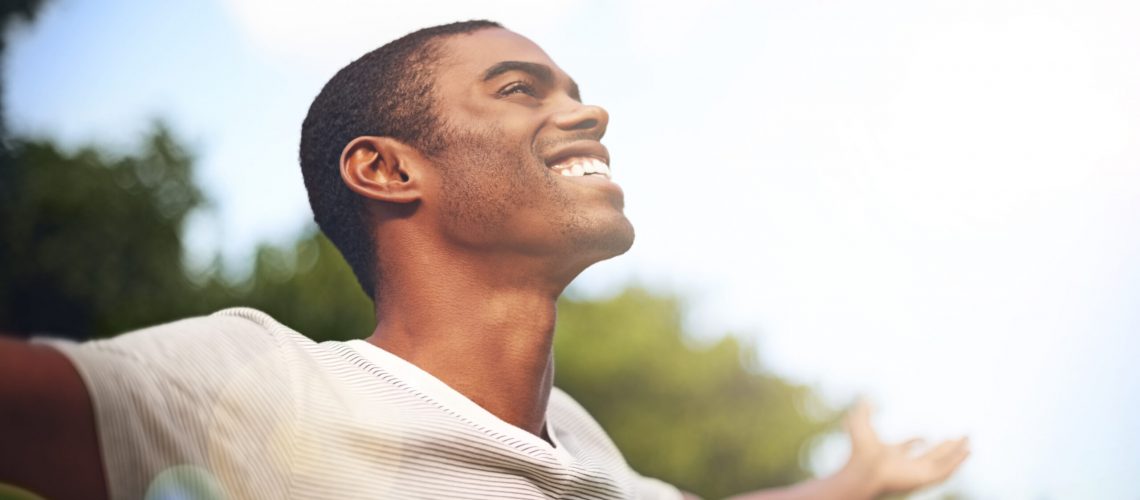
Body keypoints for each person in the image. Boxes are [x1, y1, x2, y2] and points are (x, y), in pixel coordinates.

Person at [0, 20, 969, 500]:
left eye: (576, 90)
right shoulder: (262, 385)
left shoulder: (582, 445)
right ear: (386, 168)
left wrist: (847, 483)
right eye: (519, 89)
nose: (589, 111)